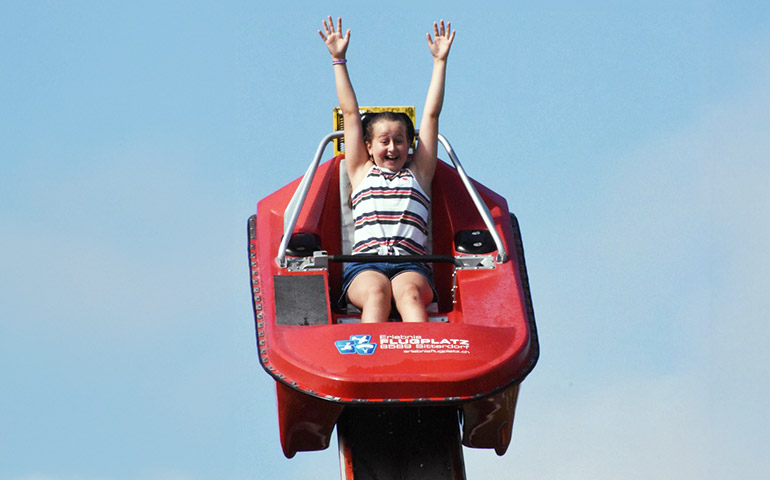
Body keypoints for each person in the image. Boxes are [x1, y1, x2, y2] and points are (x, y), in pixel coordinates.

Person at [319, 16, 455, 323]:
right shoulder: (360, 171)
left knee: (409, 294)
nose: (392, 148)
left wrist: (440, 62)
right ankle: (371, 362)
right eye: (384, 141)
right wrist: (338, 59)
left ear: (410, 145)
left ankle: (421, 359)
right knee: (377, 294)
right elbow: (352, 114)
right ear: (369, 146)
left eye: (399, 141)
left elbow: (432, 115)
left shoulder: (418, 173)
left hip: (411, 266)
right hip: (365, 266)